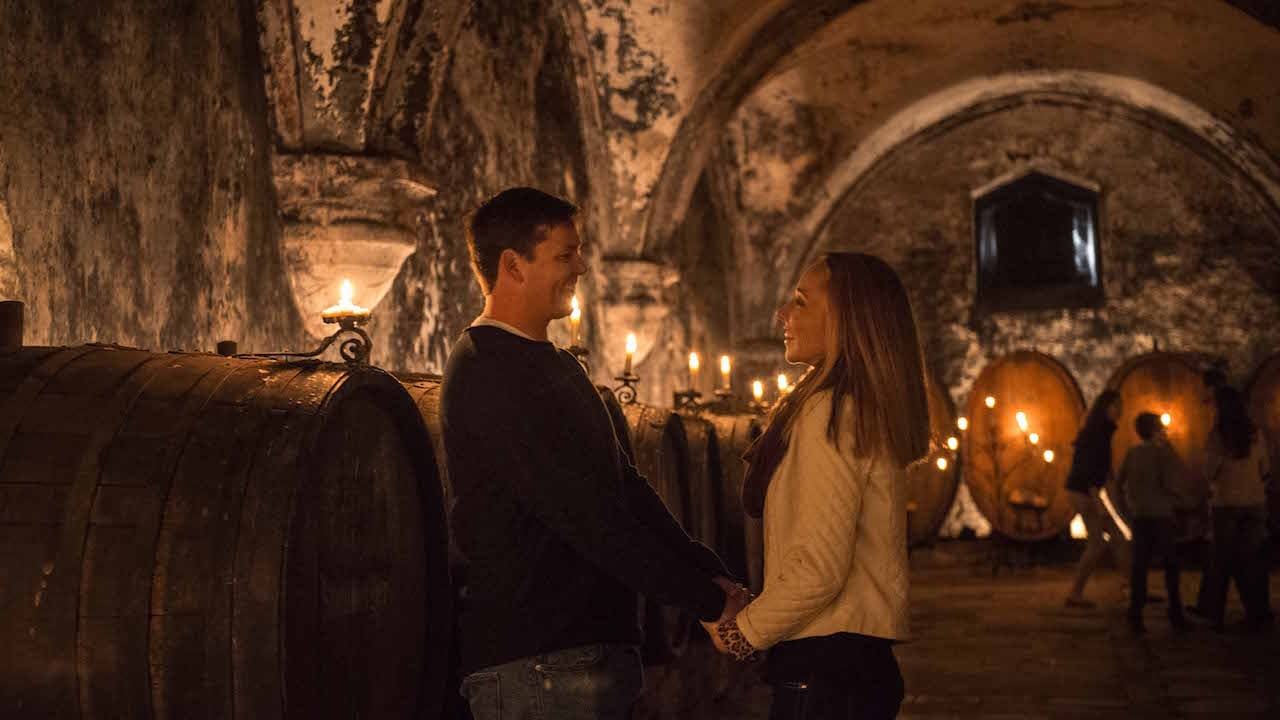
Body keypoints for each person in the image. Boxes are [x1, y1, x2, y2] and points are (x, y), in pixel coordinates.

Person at [440, 187, 747, 720]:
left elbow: (625, 486)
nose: (581, 267)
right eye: (565, 255)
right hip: (537, 663)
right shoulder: (488, 368)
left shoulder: (560, 366)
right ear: (513, 265)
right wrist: (707, 602)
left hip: (584, 657)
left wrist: (710, 574)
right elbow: (587, 517)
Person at [704, 252, 931, 720]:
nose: (782, 313)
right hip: (852, 667)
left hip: (826, 671)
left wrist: (741, 634)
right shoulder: (855, 406)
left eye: (801, 301)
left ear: (846, 320)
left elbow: (819, 569)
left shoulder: (830, 410)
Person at [1200, 385, 1273, 632]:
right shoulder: (1255, 434)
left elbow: (1209, 471)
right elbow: (1265, 468)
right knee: (1251, 561)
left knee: (1222, 561)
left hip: (1226, 504)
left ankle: (1216, 617)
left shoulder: (1217, 436)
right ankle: (1256, 614)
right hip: (1254, 503)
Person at [1114, 412, 1187, 632]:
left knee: (1140, 567)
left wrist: (1125, 509)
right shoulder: (1162, 452)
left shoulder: (1132, 452)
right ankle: (1176, 614)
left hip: (1140, 515)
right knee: (1171, 566)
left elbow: (1118, 484)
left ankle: (1135, 615)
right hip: (1162, 515)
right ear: (1155, 429)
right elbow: (1174, 479)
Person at [1063, 389, 1131, 608]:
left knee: (1114, 539)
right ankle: (1075, 594)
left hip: (1084, 491)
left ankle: (1132, 587)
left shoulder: (1102, 431)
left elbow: (1106, 476)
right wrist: (1098, 502)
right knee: (1099, 543)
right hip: (1083, 492)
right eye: (1116, 405)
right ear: (1105, 407)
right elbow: (1089, 470)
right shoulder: (1097, 433)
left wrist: (1120, 509)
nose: (1120, 410)